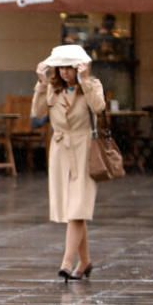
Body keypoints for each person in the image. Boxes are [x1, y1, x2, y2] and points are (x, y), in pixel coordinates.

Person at [32, 44, 106, 282]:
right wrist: (41, 83)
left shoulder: (92, 86)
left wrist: (84, 80)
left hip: (84, 149)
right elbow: (37, 112)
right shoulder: (52, 89)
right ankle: (85, 262)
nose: (64, 72)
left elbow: (99, 108)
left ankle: (66, 261)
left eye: (69, 67)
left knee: (78, 208)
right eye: (60, 67)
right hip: (60, 150)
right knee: (72, 209)